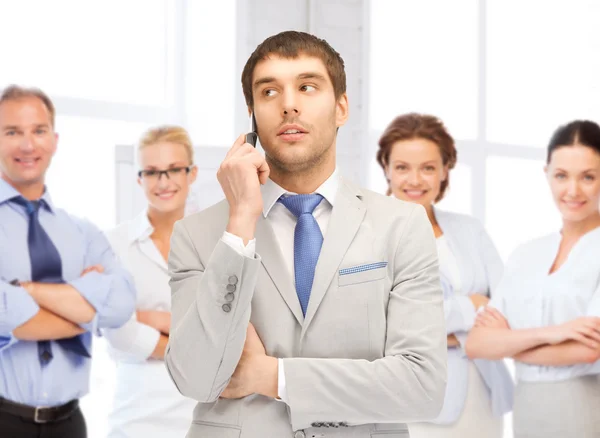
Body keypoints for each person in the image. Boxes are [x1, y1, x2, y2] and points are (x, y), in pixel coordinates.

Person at [165, 31, 447, 438]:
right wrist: (241, 220)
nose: (289, 104)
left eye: (307, 87)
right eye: (269, 91)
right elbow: (195, 378)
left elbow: (423, 387)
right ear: (252, 115)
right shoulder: (197, 234)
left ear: (341, 107)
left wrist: (273, 376)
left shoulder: (401, 225)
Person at [0, 85, 135, 438]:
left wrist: (23, 290)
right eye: (12, 132)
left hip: (70, 424)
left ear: (54, 140)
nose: (28, 145)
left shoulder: (83, 232)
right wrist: (82, 303)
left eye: (38, 131)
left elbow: (120, 304)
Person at [376, 113, 513, 438]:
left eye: (427, 167)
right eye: (402, 167)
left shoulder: (470, 230)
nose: (415, 179)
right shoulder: (369, 235)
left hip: (483, 391)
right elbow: (387, 325)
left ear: (444, 171)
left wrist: (444, 332)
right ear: (386, 169)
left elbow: (507, 307)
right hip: (414, 394)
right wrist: (471, 309)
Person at [466, 120, 600, 438]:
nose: (573, 190)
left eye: (588, 177)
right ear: (547, 175)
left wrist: (508, 344)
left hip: (585, 405)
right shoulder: (526, 254)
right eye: (562, 176)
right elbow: (477, 343)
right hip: (526, 408)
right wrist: (557, 333)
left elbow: (588, 350)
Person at [104, 126, 198, 437]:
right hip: (136, 414)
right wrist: (195, 343)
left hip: (203, 410)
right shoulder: (113, 244)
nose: (164, 182)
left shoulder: (218, 240)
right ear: (139, 178)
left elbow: (231, 329)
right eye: (153, 172)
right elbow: (118, 331)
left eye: (174, 170)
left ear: (192, 174)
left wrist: (147, 317)